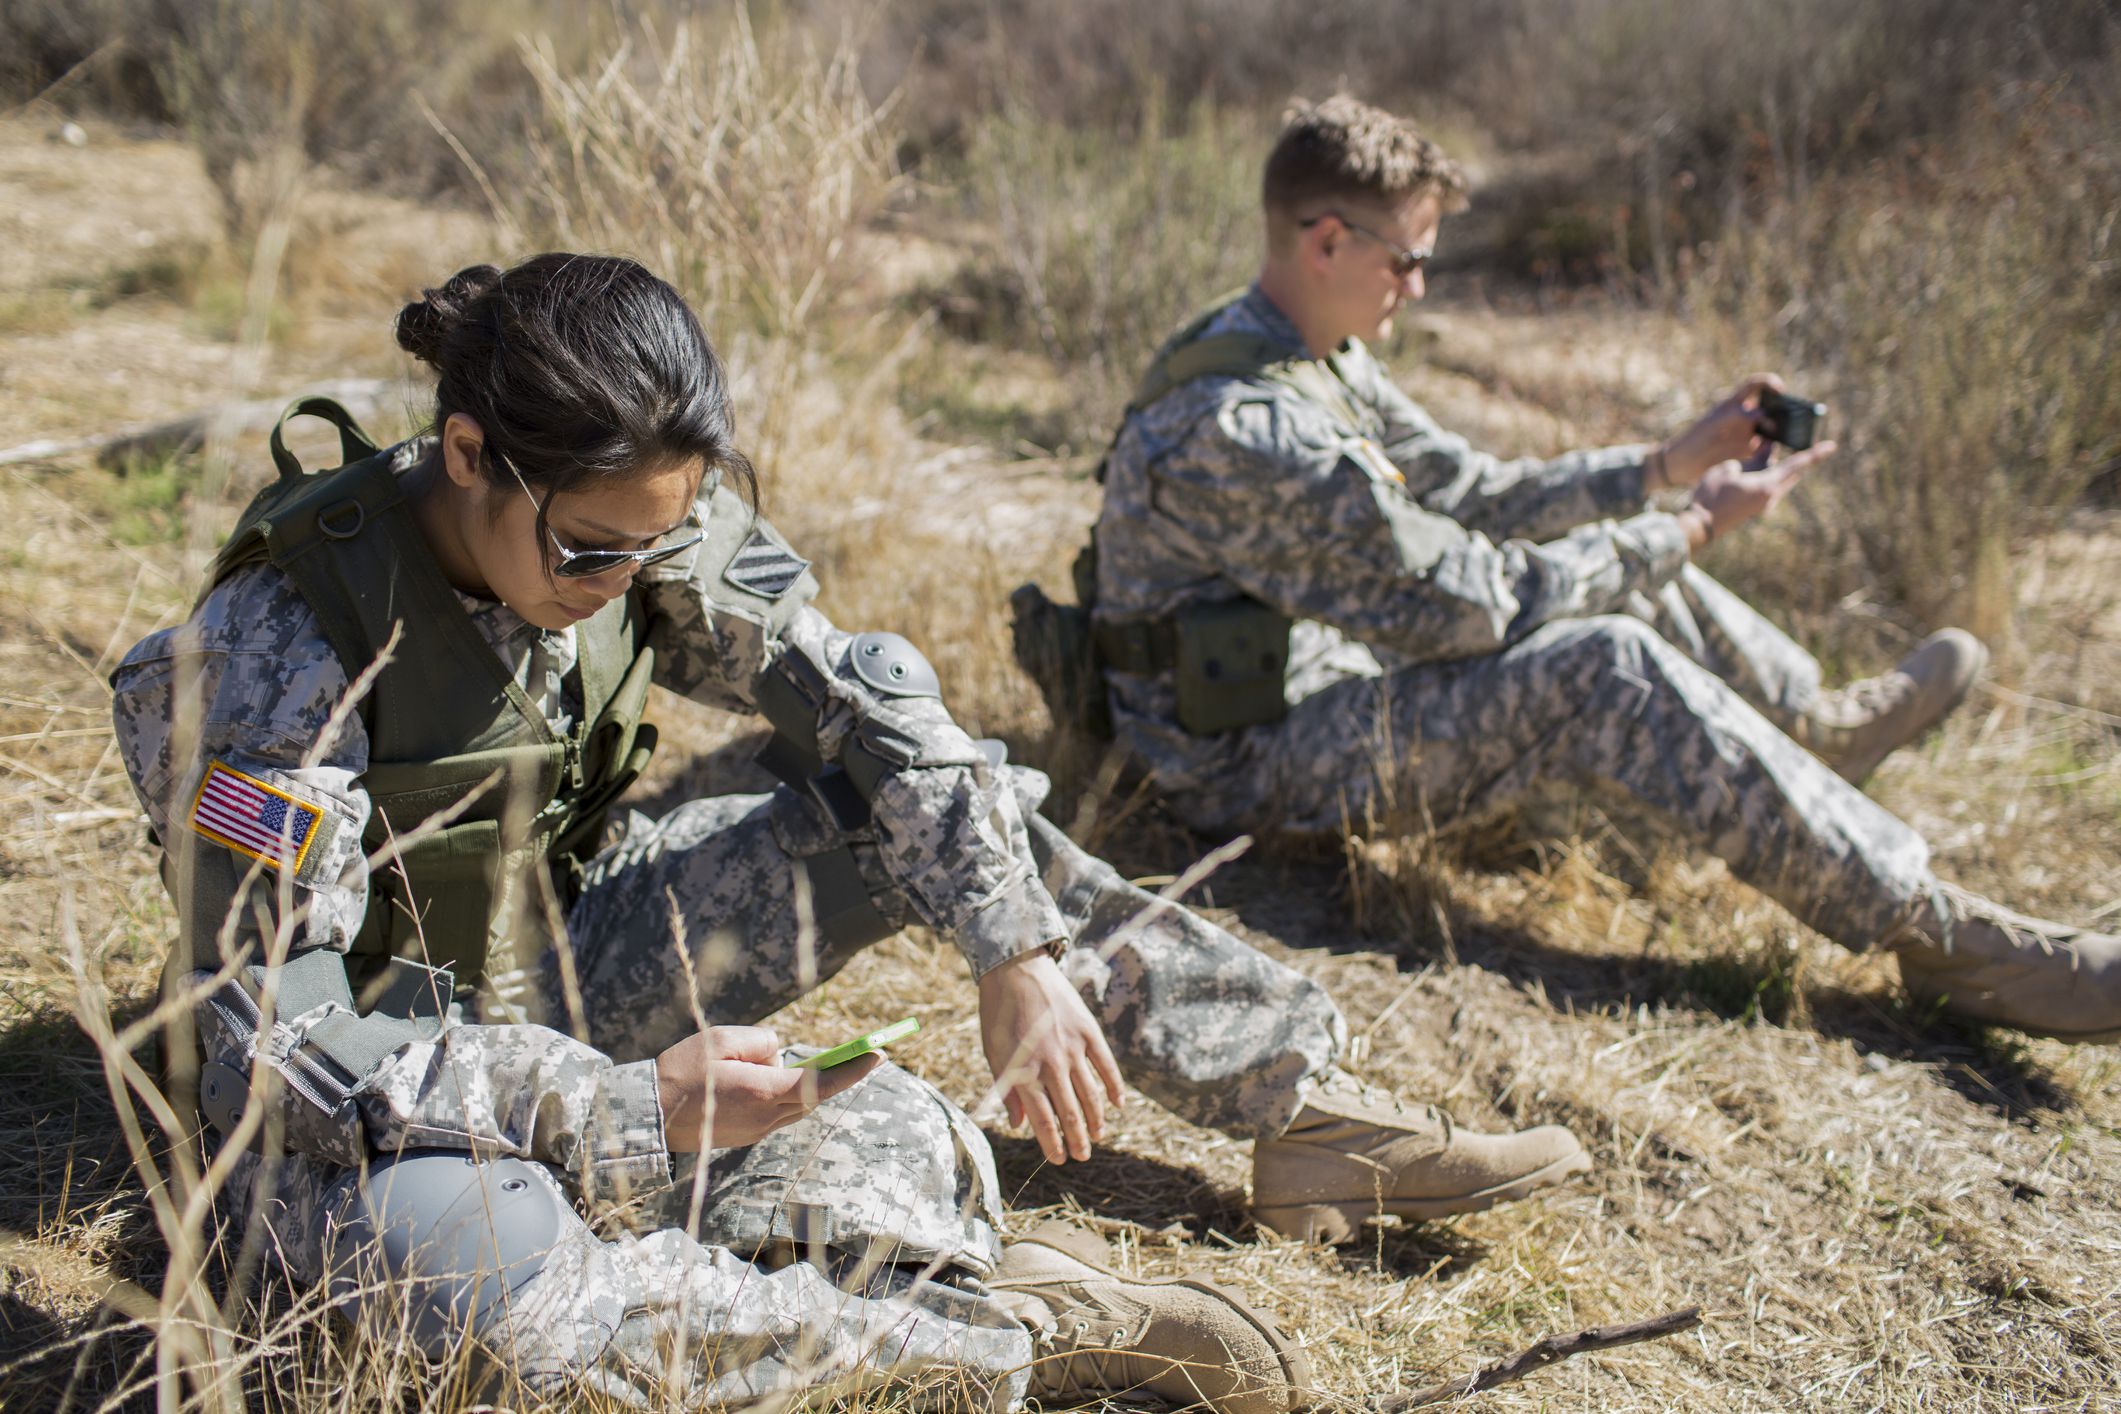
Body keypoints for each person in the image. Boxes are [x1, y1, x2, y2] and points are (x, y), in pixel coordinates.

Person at [109, 253, 1567, 1408]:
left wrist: (1015, 943)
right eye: (587, 551)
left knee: (935, 804)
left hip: (557, 956)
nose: (619, 582)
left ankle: (1296, 1106)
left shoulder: (625, 515)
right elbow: (266, 1042)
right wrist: (619, 1108)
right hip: (373, 1080)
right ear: (470, 452)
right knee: (455, 1290)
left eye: (650, 543)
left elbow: (877, 705)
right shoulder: (290, 634)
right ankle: (984, 1335)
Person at [1063, 94, 2120, 1045]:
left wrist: (1663, 468)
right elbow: (1479, 605)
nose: (1420, 287)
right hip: (1232, 765)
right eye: (1409, 259)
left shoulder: (1301, 344)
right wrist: (1687, 528)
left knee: (1625, 568)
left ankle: (1814, 732)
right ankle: (1946, 939)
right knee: (1599, 657)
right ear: (1329, 239)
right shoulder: (1246, 426)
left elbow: (1471, 489)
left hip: (1312, 679)